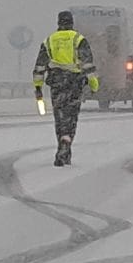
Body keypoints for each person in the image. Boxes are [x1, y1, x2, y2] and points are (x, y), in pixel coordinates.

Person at [33, 11, 99, 166]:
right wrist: (93, 84)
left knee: (60, 116)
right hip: (74, 83)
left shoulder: (49, 41)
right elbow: (88, 65)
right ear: (72, 22)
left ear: (58, 23)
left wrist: (38, 86)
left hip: (56, 83)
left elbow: (40, 66)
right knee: (71, 116)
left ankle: (62, 144)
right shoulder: (78, 39)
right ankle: (67, 141)